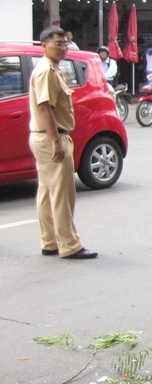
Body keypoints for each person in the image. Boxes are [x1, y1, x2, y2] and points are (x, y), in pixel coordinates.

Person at [29, 27, 97, 259]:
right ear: (44, 46)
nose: (63, 48)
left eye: (65, 44)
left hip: (47, 136)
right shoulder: (46, 71)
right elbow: (44, 108)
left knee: (47, 191)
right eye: (57, 44)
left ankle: (50, 242)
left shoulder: (52, 69)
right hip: (52, 137)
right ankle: (69, 245)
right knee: (61, 194)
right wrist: (56, 142)